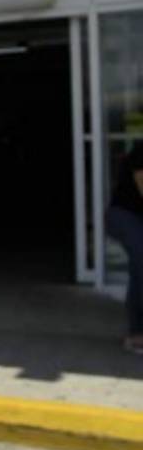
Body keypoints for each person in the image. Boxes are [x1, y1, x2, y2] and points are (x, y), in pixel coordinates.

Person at [106, 141, 143, 355]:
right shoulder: (141, 150)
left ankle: (136, 332)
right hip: (123, 215)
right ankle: (137, 333)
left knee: (138, 270)